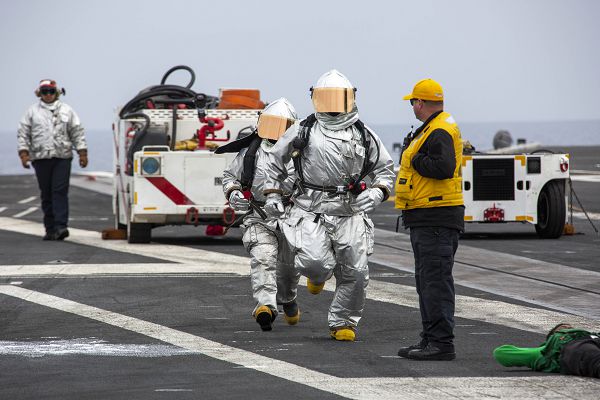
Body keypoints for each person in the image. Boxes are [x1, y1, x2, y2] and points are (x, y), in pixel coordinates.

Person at [262, 70, 395, 341]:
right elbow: (273, 162)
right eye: (327, 98)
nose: (333, 106)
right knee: (313, 263)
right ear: (315, 99)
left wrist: (378, 192)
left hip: (350, 210)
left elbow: (385, 170)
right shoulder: (302, 130)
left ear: (351, 98)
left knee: (356, 271)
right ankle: (318, 274)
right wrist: (273, 195)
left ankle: (343, 322)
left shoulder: (363, 134)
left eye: (338, 99)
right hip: (310, 208)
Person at [395, 79, 464, 360]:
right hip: (428, 217)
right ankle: (430, 339)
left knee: (434, 282)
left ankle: (441, 344)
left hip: (436, 217)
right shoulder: (433, 128)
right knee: (428, 282)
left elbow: (444, 167)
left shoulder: (439, 130)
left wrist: (414, 160)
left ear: (420, 103)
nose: (412, 106)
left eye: (413, 102)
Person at [218, 98, 301, 332]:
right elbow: (229, 177)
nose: (274, 129)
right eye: (270, 123)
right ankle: (265, 306)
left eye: (280, 124)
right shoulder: (250, 153)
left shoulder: (301, 153)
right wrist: (233, 192)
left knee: (288, 269)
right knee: (263, 258)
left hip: (291, 217)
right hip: (258, 215)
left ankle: (287, 299)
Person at [17, 79, 88, 241]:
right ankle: (50, 228)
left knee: (60, 191)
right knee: (46, 194)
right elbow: (23, 133)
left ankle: (61, 226)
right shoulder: (32, 112)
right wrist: (24, 153)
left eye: (50, 91)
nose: (48, 95)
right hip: (40, 158)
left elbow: (77, 131)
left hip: (62, 157)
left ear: (56, 92)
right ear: (39, 93)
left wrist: (82, 152)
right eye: (44, 91)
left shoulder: (67, 110)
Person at [493, 323, 600, 378]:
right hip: (572, 348)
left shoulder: (587, 334)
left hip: (591, 340)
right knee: (594, 361)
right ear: (551, 337)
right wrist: (543, 349)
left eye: (569, 327)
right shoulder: (542, 352)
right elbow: (501, 353)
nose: (569, 327)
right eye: (563, 328)